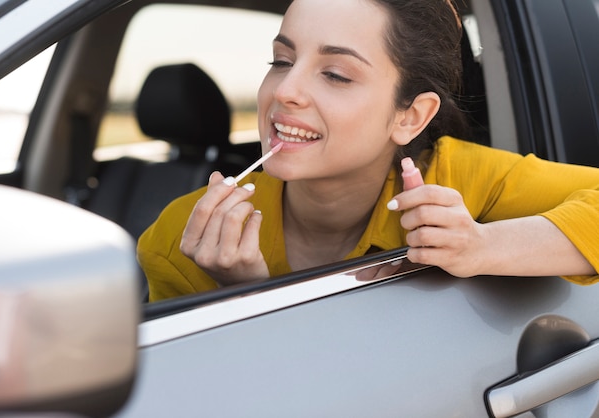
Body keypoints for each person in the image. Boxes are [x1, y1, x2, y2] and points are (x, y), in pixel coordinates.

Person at [137, 0, 599, 301]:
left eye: (336, 74)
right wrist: (246, 294)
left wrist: (483, 245)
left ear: (410, 117)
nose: (286, 90)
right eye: (281, 61)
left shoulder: (462, 179)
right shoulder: (182, 239)